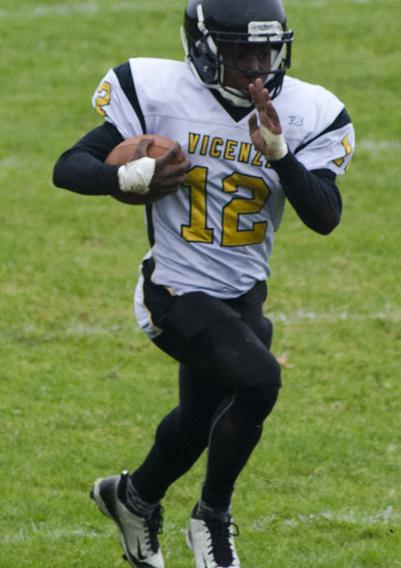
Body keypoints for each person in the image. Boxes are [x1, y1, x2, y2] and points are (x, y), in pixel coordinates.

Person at [52, 0, 354, 566]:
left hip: (242, 295)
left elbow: (325, 215)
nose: (257, 65)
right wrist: (125, 175)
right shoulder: (158, 92)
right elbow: (68, 166)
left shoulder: (310, 109)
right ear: (205, 48)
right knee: (260, 381)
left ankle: (132, 498)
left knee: (198, 420)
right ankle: (212, 519)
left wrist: (281, 154)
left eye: (267, 50)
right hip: (173, 289)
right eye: (242, 51)